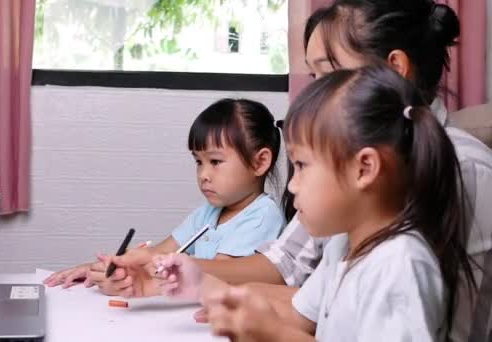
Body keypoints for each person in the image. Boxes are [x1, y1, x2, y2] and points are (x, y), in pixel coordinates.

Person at [155, 64, 477, 341]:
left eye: (302, 166)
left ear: (363, 168)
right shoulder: (344, 244)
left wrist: (275, 335)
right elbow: (299, 315)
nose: (292, 185)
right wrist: (201, 285)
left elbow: (287, 329)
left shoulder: (399, 265)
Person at [43, 98, 286, 294]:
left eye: (215, 161)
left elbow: (217, 274)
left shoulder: (262, 216)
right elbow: (161, 252)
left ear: (260, 162)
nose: (204, 175)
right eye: (198, 162)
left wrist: (146, 266)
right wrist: (105, 270)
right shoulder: (208, 212)